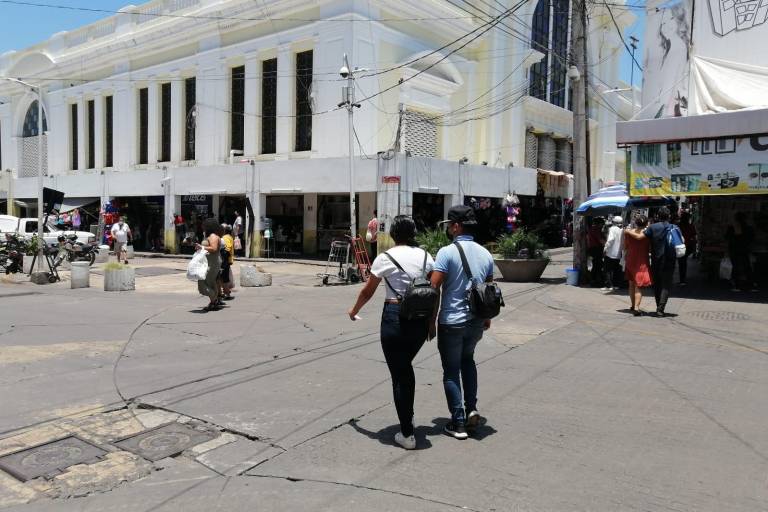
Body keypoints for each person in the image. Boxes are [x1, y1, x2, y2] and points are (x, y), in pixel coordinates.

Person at [347, 216, 434, 450]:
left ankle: (407, 434)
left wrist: (354, 310)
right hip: (420, 320)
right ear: (414, 233)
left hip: (395, 317)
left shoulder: (385, 258)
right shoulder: (426, 257)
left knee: (400, 375)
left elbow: (368, 291)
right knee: (404, 369)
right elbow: (435, 290)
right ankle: (409, 417)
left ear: (393, 234)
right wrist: (431, 323)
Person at [430, 205, 495, 440]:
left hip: (452, 321)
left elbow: (433, 288)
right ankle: (472, 409)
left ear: (457, 226)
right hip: (476, 321)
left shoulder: (446, 253)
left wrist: (430, 321)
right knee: (468, 361)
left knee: (451, 371)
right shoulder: (486, 254)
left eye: (450, 224)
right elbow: (489, 289)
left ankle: (458, 423)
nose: (449, 228)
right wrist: (486, 317)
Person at [624, 207, 676, 317]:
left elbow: (632, 242)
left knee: (638, 284)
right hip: (665, 259)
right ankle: (659, 308)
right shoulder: (674, 227)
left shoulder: (652, 228)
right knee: (665, 285)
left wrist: (627, 231)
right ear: (669, 216)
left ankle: (635, 306)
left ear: (657, 216)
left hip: (649, 259)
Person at [623, 214, 652, 316]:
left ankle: (632, 305)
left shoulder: (629, 233)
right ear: (646, 223)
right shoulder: (647, 234)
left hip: (631, 259)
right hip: (642, 260)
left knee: (631, 284)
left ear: (636, 223)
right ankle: (636, 307)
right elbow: (649, 248)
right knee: (638, 286)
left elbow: (625, 246)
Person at [195, 218, 222, 312]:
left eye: (204, 225)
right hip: (209, 261)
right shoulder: (210, 236)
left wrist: (202, 247)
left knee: (203, 283)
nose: (203, 227)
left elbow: (214, 248)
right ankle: (214, 301)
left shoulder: (213, 236)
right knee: (210, 282)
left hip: (212, 262)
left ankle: (215, 300)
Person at [726, 212, 758, 292]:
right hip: (744, 250)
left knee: (735, 267)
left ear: (736, 219)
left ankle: (736, 285)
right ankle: (751, 285)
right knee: (747, 267)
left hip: (734, 250)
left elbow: (727, 238)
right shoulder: (748, 228)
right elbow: (752, 238)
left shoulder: (732, 227)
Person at [603, 216, 624, 291]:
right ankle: (616, 285)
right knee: (617, 269)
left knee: (608, 269)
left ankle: (609, 285)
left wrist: (605, 248)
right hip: (619, 253)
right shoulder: (622, 230)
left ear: (614, 222)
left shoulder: (612, 229)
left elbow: (610, 240)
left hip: (610, 253)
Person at [676, 211, 696, 286]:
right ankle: (682, 280)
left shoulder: (678, 226)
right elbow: (694, 236)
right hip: (687, 246)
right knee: (683, 262)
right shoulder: (691, 226)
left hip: (679, 246)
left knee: (681, 262)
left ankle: (682, 280)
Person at [587, 218, 606, 287]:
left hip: (593, 249)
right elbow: (600, 240)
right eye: (602, 224)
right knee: (597, 265)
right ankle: (594, 280)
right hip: (596, 249)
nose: (602, 226)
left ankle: (594, 280)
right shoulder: (596, 229)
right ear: (599, 223)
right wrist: (607, 245)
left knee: (596, 264)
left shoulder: (592, 229)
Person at [220, 224, 235, 300]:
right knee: (223, 277)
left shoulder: (226, 237)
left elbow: (227, 248)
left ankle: (227, 293)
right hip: (227, 260)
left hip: (225, 260)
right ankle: (224, 292)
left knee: (224, 277)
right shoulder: (229, 237)